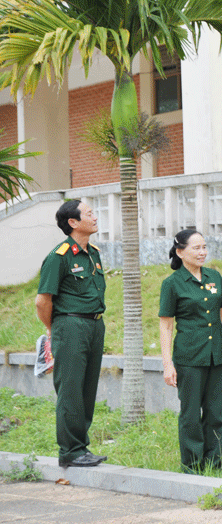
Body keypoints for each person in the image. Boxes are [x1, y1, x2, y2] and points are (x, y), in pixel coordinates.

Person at [35, 200, 108, 468]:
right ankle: (70, 451)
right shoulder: (59, 256)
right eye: (89, 213)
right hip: (70, 325)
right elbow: (43, 301)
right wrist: (53, 329)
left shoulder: (93, 253)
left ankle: (81, 447)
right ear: (73, 223)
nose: (95, 217)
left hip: (94, 325)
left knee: (87, 389)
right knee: (71, 389)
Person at [158, 230, 222, 474]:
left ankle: (214, 463)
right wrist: (167, 363)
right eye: (196, 248)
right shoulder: (172, 284)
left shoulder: (214, 276)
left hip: (217, 354)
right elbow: (166, 324)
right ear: (180, 252)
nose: (202, 252)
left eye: (204, 247)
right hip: (190, 356)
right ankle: (192, 465)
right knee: (191, 414)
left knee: (218, 413)